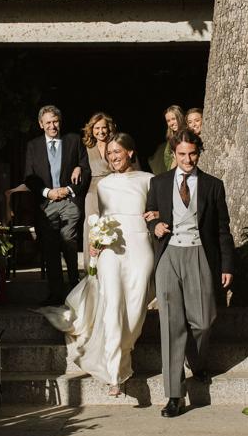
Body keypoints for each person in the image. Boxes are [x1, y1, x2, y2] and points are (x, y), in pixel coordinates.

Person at [39, 133, 154, 397]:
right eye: (110, 153)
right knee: (112, 306)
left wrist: (157, 215)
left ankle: (124, 351)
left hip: (139, 248)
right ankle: (114, 373)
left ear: (131, 153)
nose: (113, 157)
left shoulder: (148, 180)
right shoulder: (103, 186)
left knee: (135, 310)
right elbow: (103, 218)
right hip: (110, 251)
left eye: (118, 152)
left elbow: (157, 211)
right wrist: (96, 246)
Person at [146, 129, 234, 417]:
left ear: (199, 152)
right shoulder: (158, 183)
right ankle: (173, 395)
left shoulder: (212, 185)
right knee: (171, 325)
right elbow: (150, 215)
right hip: (169, 254)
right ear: (174, 153)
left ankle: (195, 361)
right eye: (182, 154)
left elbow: (222, 229)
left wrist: (226, 265)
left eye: (192, 153)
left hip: (199, 254)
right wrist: (155, 227)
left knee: (204, 320)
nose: (187, 159)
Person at [23, 105, 90, 303]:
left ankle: (75, 288)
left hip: (69, 200)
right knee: (51, 247)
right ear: (41, 124)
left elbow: (85, 169)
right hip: (46, 204)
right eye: (48, 122)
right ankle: (56, 293)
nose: (53, 126)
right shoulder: (33, 146)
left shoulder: (73, 141)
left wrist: (69, 188)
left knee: (69, 242)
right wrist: (48, 192)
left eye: (56, 121)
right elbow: (29, 177)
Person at [80, 112, 117, 268]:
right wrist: (77, 168)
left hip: (114, 188)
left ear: (109, 128)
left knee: (113, 226)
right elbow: (79, 164)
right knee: (93, 228)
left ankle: (111, 265)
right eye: (97, 128)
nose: (101, 131)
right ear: (91, 129)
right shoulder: (86, 146)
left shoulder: (115, 144)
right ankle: (92, 267)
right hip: (93, 191)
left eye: (104, 127)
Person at [148, 105, 185, 175]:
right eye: (168, 121)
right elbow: (170, 165)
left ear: (180, 117)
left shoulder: (188, 136)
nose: (171, 123)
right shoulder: (170, 141)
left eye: (174, 119)